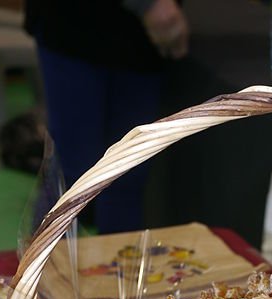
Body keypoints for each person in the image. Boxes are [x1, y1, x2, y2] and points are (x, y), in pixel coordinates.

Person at [24, 0, 189, 234]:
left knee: (126, 174)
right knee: (70, 176)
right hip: (78, 25)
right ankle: (39, 269)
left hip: (136, 44)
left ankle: (117, 268)